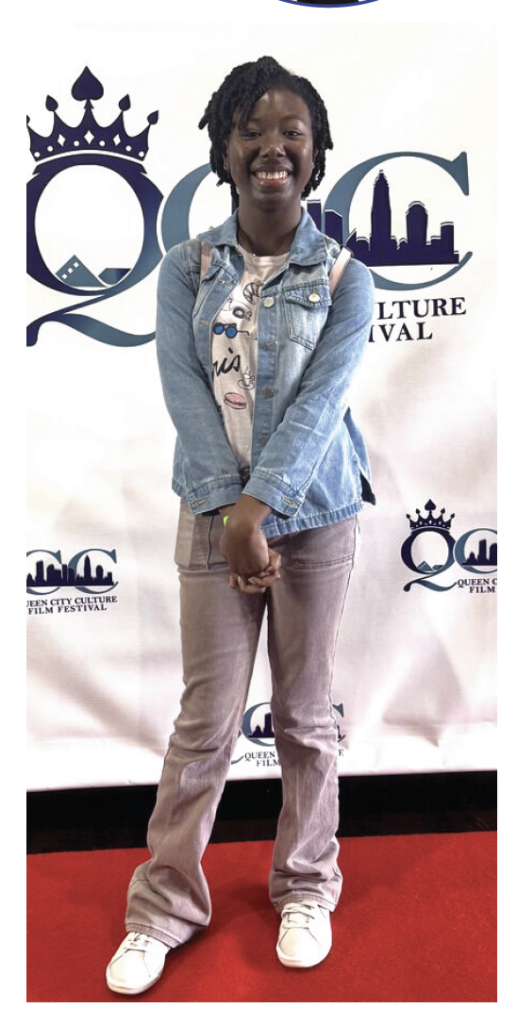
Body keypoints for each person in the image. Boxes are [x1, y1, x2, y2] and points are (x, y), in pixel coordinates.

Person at [106, 55, 375, 996]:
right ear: (223, 151)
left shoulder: (346, 277)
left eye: (291, 132)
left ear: (315, 153)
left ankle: (305, 885)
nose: (272, 146)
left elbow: (320, 405)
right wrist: (228, 511)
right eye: (250, 130)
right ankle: (162, 907)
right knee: (204, 725)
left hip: (315, 515)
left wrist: (260, 510)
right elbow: (185, 395)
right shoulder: (186, 269)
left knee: (304, 717)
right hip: (212, 516)